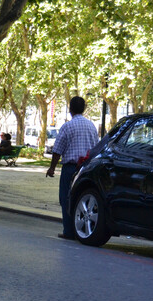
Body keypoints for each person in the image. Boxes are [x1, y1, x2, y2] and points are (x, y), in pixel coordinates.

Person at [46, 96, 98, 240]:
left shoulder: (67, 126)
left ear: (70, 109)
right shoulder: (91, 126)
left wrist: (52, 168)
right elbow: (96, 148)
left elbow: (57, 150)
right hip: (86, 169)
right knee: (82, 199)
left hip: (70, 168)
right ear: (84, 108)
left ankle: (68, 231)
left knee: (66, 198)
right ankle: (80, 229)